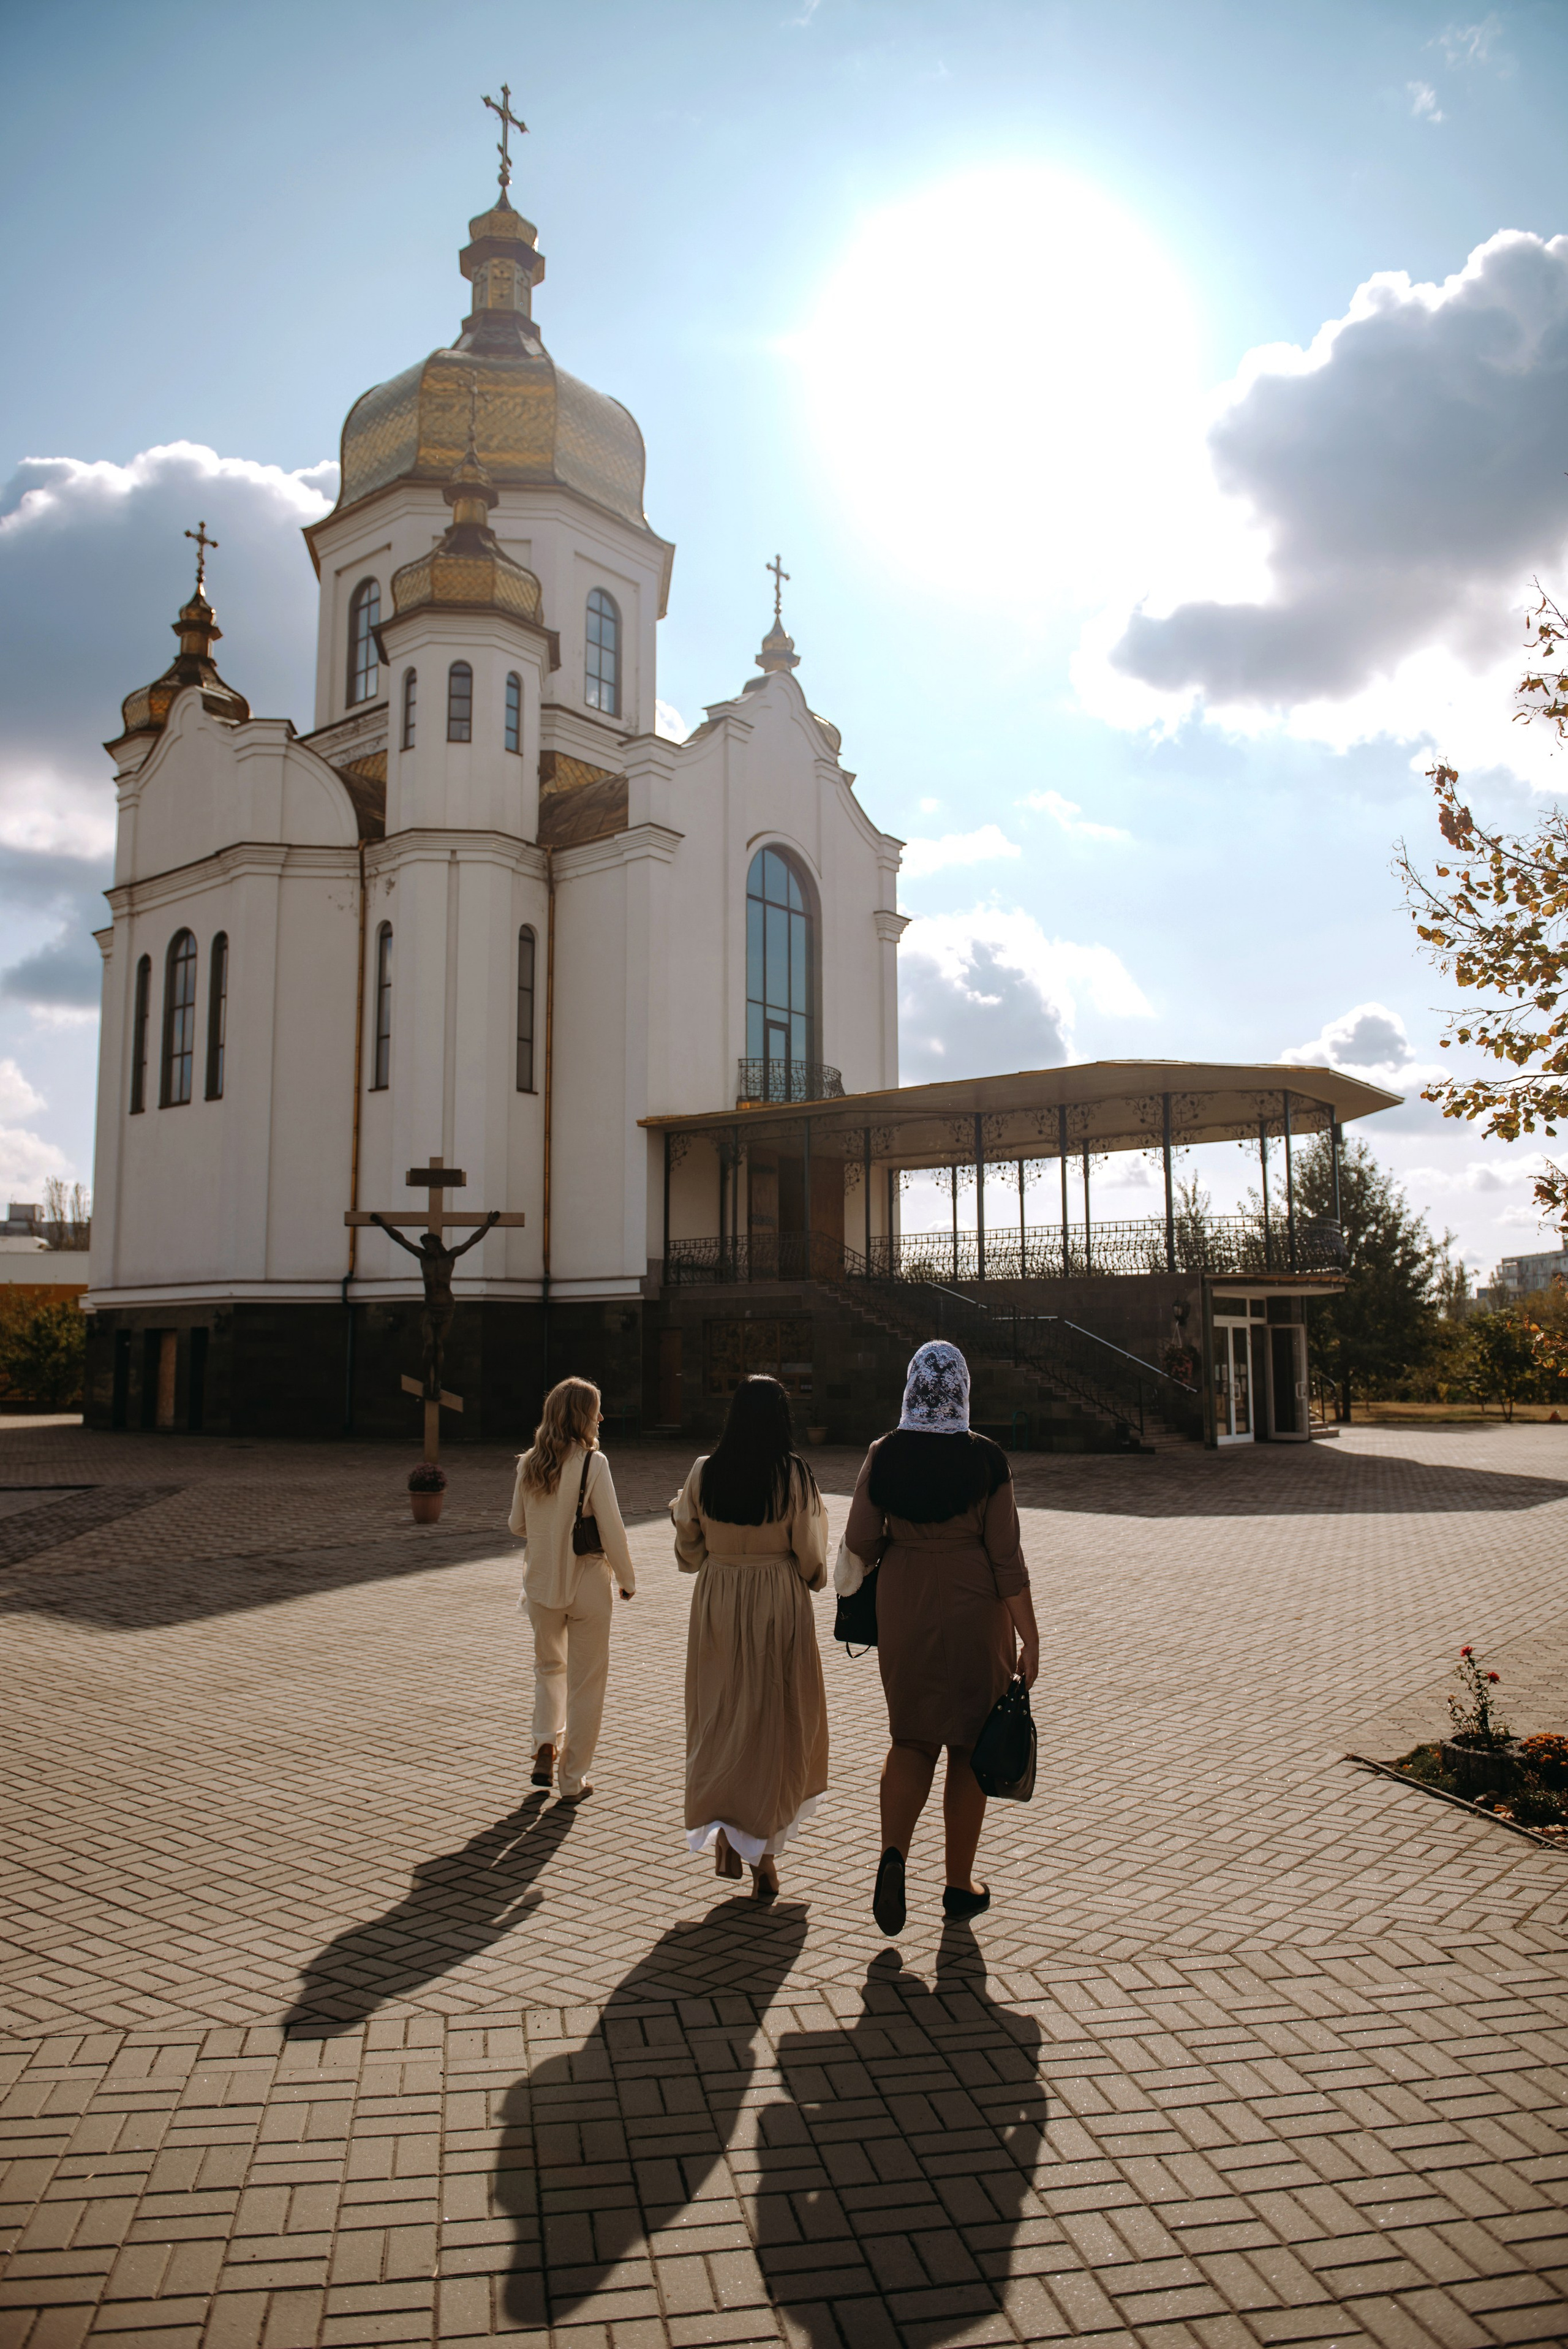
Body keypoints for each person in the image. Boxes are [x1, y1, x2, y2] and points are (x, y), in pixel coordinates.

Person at [843, 1340, 1039, 1934]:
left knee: (911, 1738)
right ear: (961, 1390)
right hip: (975, 1610)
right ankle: (958, 1885)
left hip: (905, 1607)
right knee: (967, 1745)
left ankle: (893, 1855)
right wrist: (1030, 1637)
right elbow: (1007, 1560)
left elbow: (859, 1538)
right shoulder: (986, 1459)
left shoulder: (884, 1453)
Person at [671, 1376, 831, 1902]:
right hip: (775, 1603)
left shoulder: (705, 1471)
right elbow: (810, 1557)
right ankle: (762, 1856)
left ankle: (726, 1831)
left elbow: (688, 1548)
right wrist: (811, 1577)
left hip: (718, 1599)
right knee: (774, 1724)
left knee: (718, 1718)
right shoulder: (792, 1475)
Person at [510, 1378, 635, 1801]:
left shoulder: (529, 1461)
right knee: (587, 1682)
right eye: (596, 1409)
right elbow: (613, 1529)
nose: (601, 1417)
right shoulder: (593, 1463)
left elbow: (516, 1525)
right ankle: (572, 1777)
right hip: (587, 1585)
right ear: (583, 1415)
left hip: (541, 1586)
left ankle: (545, 1742)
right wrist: (627, 1579)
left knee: (548, 1669)